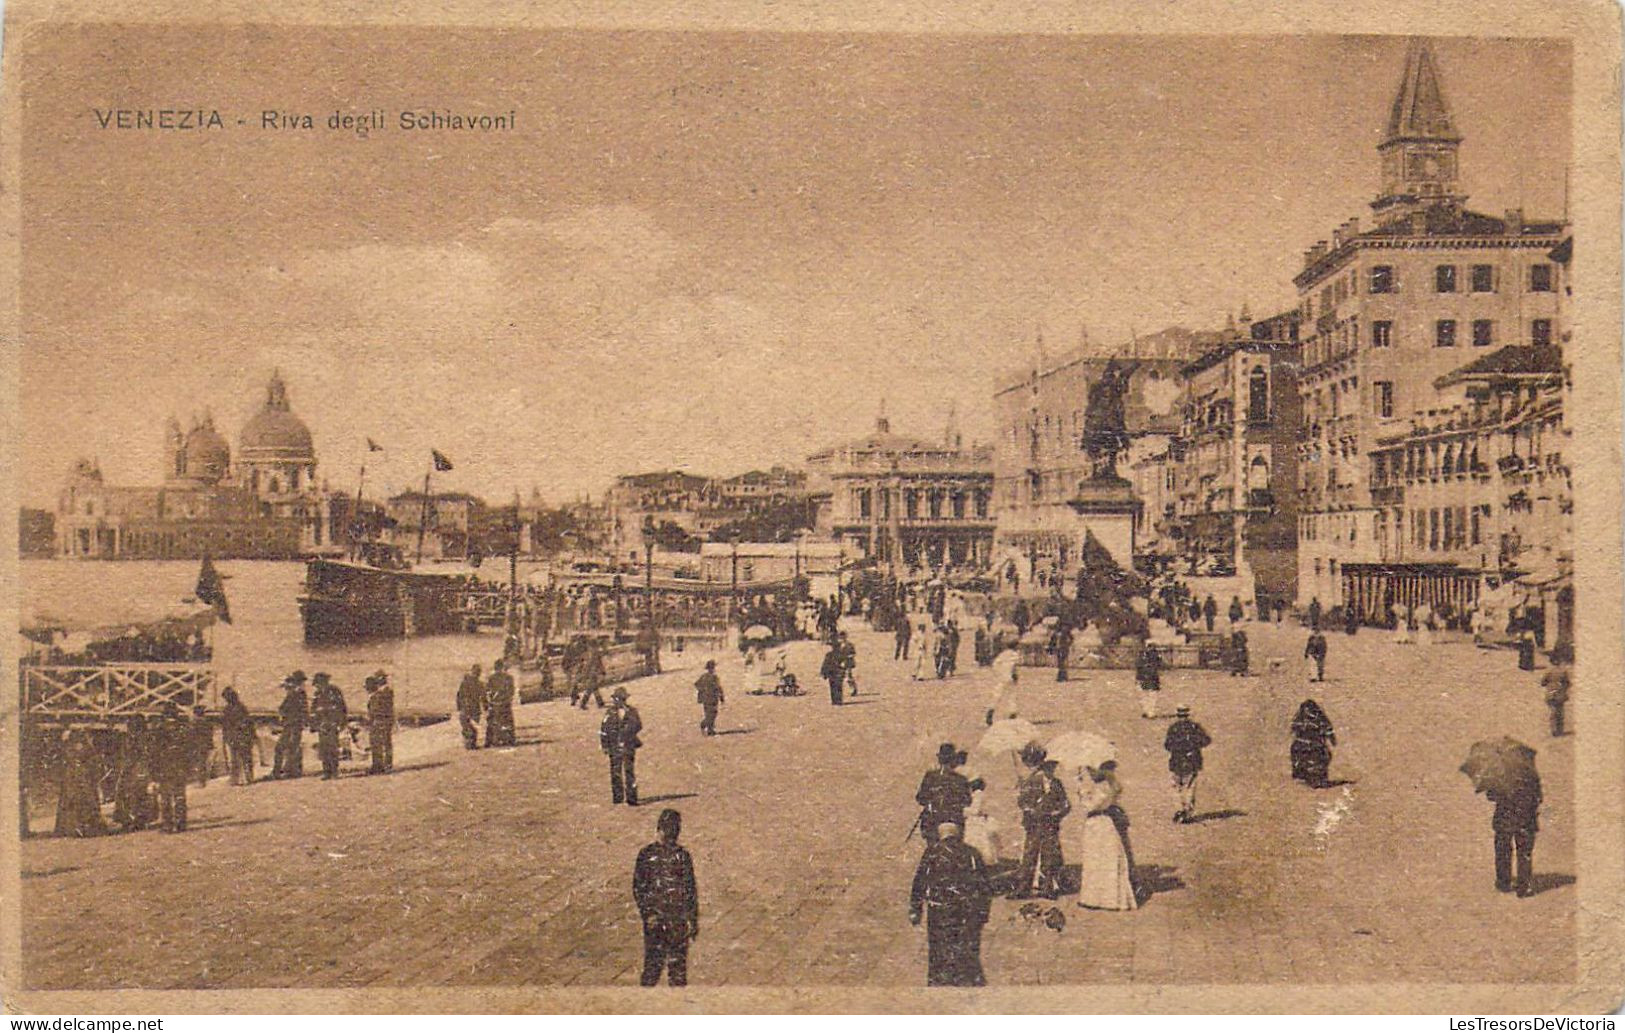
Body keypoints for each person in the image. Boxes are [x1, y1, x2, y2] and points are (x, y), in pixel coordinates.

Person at [909, 819, 993, 986]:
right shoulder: (972, 853)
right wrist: (983, 912)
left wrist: (915, 909)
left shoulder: (932, 852)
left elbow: (919, 882)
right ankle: (966, 980)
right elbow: (984, 886)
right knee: (967, 948)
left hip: (939, 910)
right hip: (966, 910)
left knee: (938, 948)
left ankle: (939, 981)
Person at [633, 808, 700, 987]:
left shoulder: (678, 856)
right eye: (669, 832)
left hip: (669, 920)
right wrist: (649, 915)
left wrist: (692, 920)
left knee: (669, 970)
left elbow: (690, 890)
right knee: (658, 968)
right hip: (663, 920)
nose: (671, 837)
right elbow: (639, 888)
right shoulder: (651, 855)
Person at [1074, 766, 1137, 911]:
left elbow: (1091, 806)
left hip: (1099, 824)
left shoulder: (1103, 787)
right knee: (1101, 860)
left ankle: (1102, 899)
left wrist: (1082, 793)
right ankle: (1101, 898)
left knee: (1099, 860)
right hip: (1102, 824)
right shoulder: (1107, 785)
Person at [1013, 744, 1069, 899]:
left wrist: (1057, 813)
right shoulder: (1031, 781)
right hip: (1035, 823)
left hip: (1047, 823)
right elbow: (1022, 802)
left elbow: (1065, 804)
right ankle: (1028, 887)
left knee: (1044, 856)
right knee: (1033, 855)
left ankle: (1043, 887)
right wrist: (1028, 808)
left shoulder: (1053, 783)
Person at [1486, 764, 1542, 897]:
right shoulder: (1531, 774)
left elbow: (1491, 795)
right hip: (1526, 818)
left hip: (1504, 818)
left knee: (1503, 850)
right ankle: (1524, 886)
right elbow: (1539, 797)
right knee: (1524, 853)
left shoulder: (1499, 773)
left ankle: (1503, 882)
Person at [915, 743, 984, 845]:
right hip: (954, 821)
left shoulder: (930, 776)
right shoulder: (960, 779)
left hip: (932, 822)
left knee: (932, 848)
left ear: (939, 759)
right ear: (953, 761)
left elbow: (920, 798)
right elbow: (967, 801)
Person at [1164, 705, 1211, 824]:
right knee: (1189, 786)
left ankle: (1179, 809)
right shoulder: (1194, 727)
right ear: (1188, 714)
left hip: (1177, 761)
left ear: (1177, 715)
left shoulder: (1173, 728)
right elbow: (1206, 740)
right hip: (1192, 761)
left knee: (1176, 786)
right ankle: (1187, 811)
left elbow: (1167, 745)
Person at [55, 730, 106, 838]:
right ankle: (76, 827)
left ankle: (85, 827)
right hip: (76, 778)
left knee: (84, 800)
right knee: (74, 801)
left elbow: (92, 761)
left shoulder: (84, 750)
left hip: (82, 778)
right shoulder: (72, 749)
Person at [112, 716, 157, 830]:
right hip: (143, 768)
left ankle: (130, 819)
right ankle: (141, 818)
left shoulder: (132, 739)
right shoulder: (147, 737)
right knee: (142, 793)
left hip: (134, 768)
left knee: (129, 792)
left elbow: (130, 755)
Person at [153, 703, 192, 833]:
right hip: (180, 765)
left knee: (165, 797)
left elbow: (155, 751)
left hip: (165, 765)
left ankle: (167, 824)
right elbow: (189, 750)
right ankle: (181, 823)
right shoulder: (183, 729)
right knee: (180, 795)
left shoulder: (159, 729)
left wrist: (154, 770)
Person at [600, 687, 642, 805]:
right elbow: (604, 729)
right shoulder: (609, 713)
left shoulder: (632, 711)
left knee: (629, 771)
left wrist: (628, 731)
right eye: (617, 699)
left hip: (628, 745)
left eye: (621, 699)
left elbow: (639, 725)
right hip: (614, 745)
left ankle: (631, 798)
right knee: (615, 772)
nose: (618, 701)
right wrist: (605, 745)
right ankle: (618, 797)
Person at [1289, 699, 1337, 787]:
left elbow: (1328, 729)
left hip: (1315, 745)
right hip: (1306, 744)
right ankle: (1302, 774)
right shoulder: (1304, 719)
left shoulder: (1304, 719)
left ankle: (1316, 776)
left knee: (1322, 757)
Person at [310, 672, 348, 780]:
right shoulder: (317, 694)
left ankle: (334, 771)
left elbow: (342, 708)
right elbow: (313, 709)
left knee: (333, 747)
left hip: (332, 723)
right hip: (322, 724)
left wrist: (341, 723)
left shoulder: (334, 691)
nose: (317, 686)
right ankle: (326, 771)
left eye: (319, 683)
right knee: (324, 748)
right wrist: (314, 723)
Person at [273, 670, 309, 779]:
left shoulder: (297, 693)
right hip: (291, 724)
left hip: (293, 724)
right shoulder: (297, 693)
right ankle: (288, 770)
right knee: (290, 747)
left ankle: (287, 771)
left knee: (287, 747)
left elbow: (287, 708)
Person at [219, 686, 257, 786]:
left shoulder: (229, 709)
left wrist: (227, 736)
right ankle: (247, 777)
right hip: (240, 736)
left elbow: (227, 725)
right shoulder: (241, 707)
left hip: (237, 736)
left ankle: (238, 778)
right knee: (243, 757)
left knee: (237, 758)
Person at [365, 670, 394, 775]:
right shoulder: (381, 692)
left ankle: (385, 766)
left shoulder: (384, 692)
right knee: (378, 744)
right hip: (380, 721)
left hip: (381, 721)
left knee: (382, 743)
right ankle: (379, 765)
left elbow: (380, 709)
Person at [485, 659, 516, 747]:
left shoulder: (491, 678)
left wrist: (490, 701)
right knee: (507, 722)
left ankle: (491, 741)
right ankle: (509, 740)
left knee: (493, 723)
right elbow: (511, 691)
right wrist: (508, 699)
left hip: (495, 703)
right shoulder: (509, 677)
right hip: (505, 703)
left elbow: (488, 691)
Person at [1542, 653, 1571, 737]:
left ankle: (1553, 730)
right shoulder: (1563, 672)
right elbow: (1567, 683)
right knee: (1560, 712)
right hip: (1560, 694)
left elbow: (1543, 682)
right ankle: (1560, 730)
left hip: (1551, 694)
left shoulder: (1548, 671)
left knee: (1553, 712)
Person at [456, 664, 484, 750]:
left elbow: (459, 696)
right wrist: (485, 707)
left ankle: (468, 742)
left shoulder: (464, 683)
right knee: (472, 725)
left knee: (466, 724)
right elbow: (483, 697)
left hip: (465, 707)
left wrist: (459, 707)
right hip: (474, 708)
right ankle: (471, 743)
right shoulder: (479, 684)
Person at [695, 660, 724, 736]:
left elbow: (697, 684)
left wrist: (702, 691)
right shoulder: (713, 677)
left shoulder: (704, 676)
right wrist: (721, 697)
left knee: (711, 714)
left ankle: (710, 729)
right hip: (711, 698)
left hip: (708, 698)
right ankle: (704, 725)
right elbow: (718, 688)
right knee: (711, 714)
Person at [190, 704, 215, 787]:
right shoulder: (206, 722)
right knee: (203, 762)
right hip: (205, 744)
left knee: (199, 762)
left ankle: (200, 781)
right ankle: (202, 780)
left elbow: (192, 734)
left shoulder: (195, 722)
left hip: (197, 744)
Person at [1135, 642, 1163, 719]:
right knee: (1149, 695)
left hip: (1148, 677)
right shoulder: (1153, 656)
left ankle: (1148, 711)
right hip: (1148, 677)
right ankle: (1149, 711)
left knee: (1148, 695)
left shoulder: (1144, 655)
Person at [578, 639, 607, 709]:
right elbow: (593, 665)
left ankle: (599, 703)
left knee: (593, 689)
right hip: (592, 674)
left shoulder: (591, 654)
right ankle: (584, 704)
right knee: (591, 689)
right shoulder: (593, 655)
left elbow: (597, 664)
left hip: (592, 673)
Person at [820, 642, 845, 706]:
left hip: (834, 672)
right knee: (836, 686)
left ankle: (836, 700)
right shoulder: (839, 654)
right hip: (834, 672)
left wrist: (823, 672)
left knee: (834, 686)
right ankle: (837, 700)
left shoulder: (831, 654)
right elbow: (825, 663)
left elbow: (825, 664)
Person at [839, 631, 859, 696]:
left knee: (848, 677)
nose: (842, 638)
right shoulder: (839, 645)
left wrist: (849, 656)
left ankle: (853, 689)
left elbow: (853, 653)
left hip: (848, 662)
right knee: (841, 677)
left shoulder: (850, 645)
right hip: (842, 663)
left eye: (843, 637)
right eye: (841, 637)